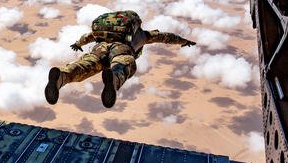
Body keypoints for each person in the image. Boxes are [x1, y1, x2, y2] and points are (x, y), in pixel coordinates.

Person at [45, 10, 196, 108]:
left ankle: (62, 76)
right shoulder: (143, 35)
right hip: (122, 49)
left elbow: (89, 36)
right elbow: (167, 37)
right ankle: (115, 79)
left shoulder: (105, 33)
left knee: (85, 65)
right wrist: (184, 41)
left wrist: (78, 44)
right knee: (124, 64)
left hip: (99, 48)